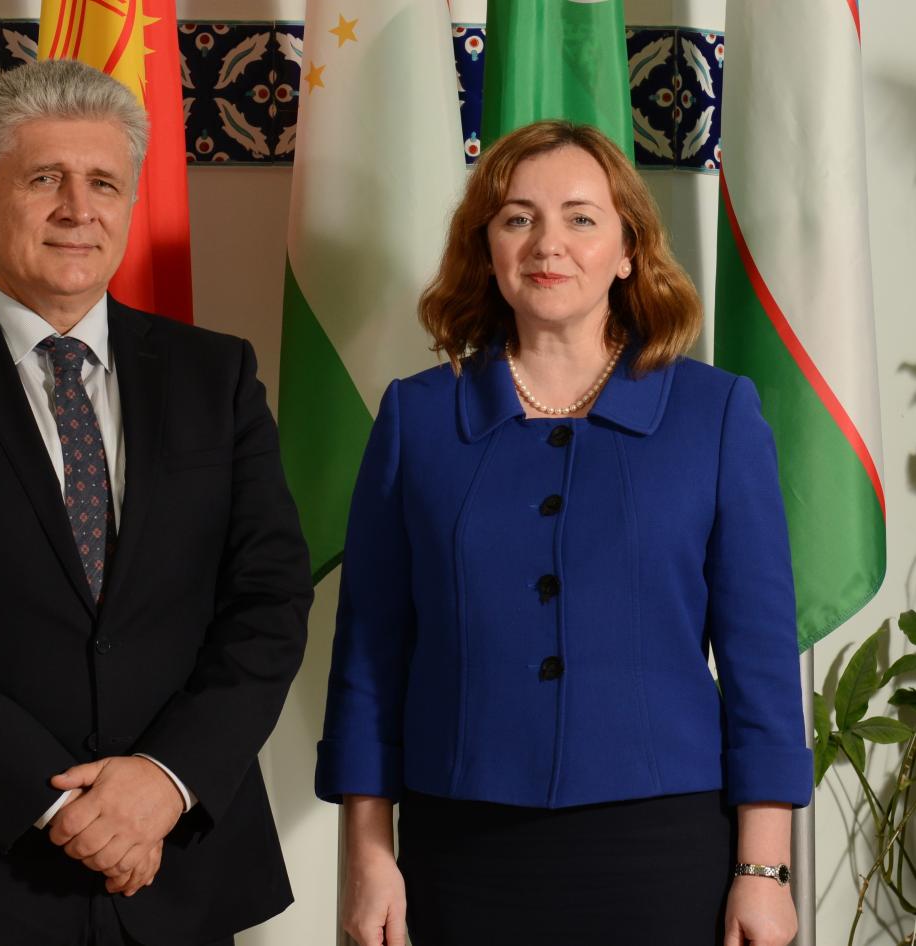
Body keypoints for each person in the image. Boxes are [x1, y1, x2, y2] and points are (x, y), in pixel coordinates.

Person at [0, 58, 312, 946]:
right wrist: (59, 806)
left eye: (104, 183)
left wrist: (164, 780)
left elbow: (268, 600)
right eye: (45, 179)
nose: (79, 208)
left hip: (178, 867)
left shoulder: (216, 376)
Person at [315, 120, 812, 946]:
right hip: (460, 849)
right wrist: (367, 856)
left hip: (666, 849)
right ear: (487, 250)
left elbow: (760, 664)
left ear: (628, 251)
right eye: (518, 218)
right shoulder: (416, 417)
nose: (549, 244)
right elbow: (369, 659)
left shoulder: (716, 414)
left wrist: (764, 872)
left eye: (581, 218)